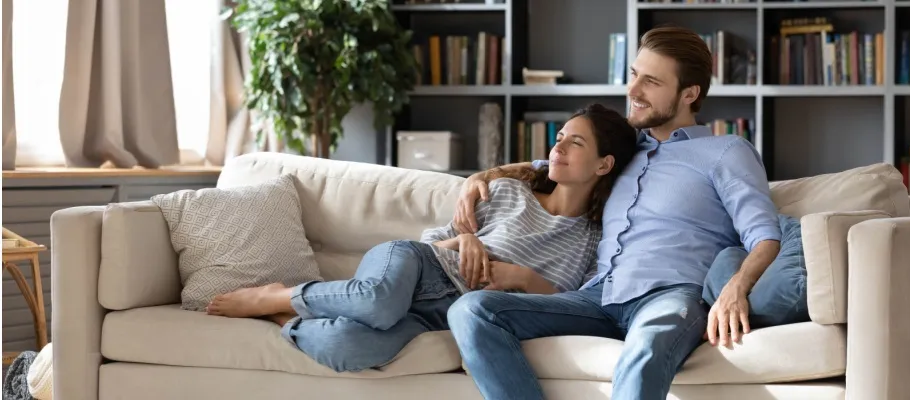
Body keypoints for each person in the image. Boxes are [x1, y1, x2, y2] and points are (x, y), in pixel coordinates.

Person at [446, 25, 783, 400]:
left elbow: (765, 236)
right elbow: (552, 163)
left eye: (651, 82)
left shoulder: (726, 152)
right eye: (634, 75)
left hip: (672, 297)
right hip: (598, 297)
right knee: (472, 310)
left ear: (690, 93)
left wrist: (734, 289)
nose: (632, 91)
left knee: (645, 348)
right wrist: (482, 176)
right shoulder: (620, 150)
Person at [204, 103, 639, 374]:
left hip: (439, 313)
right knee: (377, 299)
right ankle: (278, 297)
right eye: (559, 138)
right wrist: (466, 241)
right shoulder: (508, 191)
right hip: (414, 269)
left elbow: (573, 304)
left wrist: (523, 277)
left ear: (603, 165)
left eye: (574, 143)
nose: (557, 148)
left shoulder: (596, 238)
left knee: (349, 348)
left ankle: (288, 318)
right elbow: (427, 244)